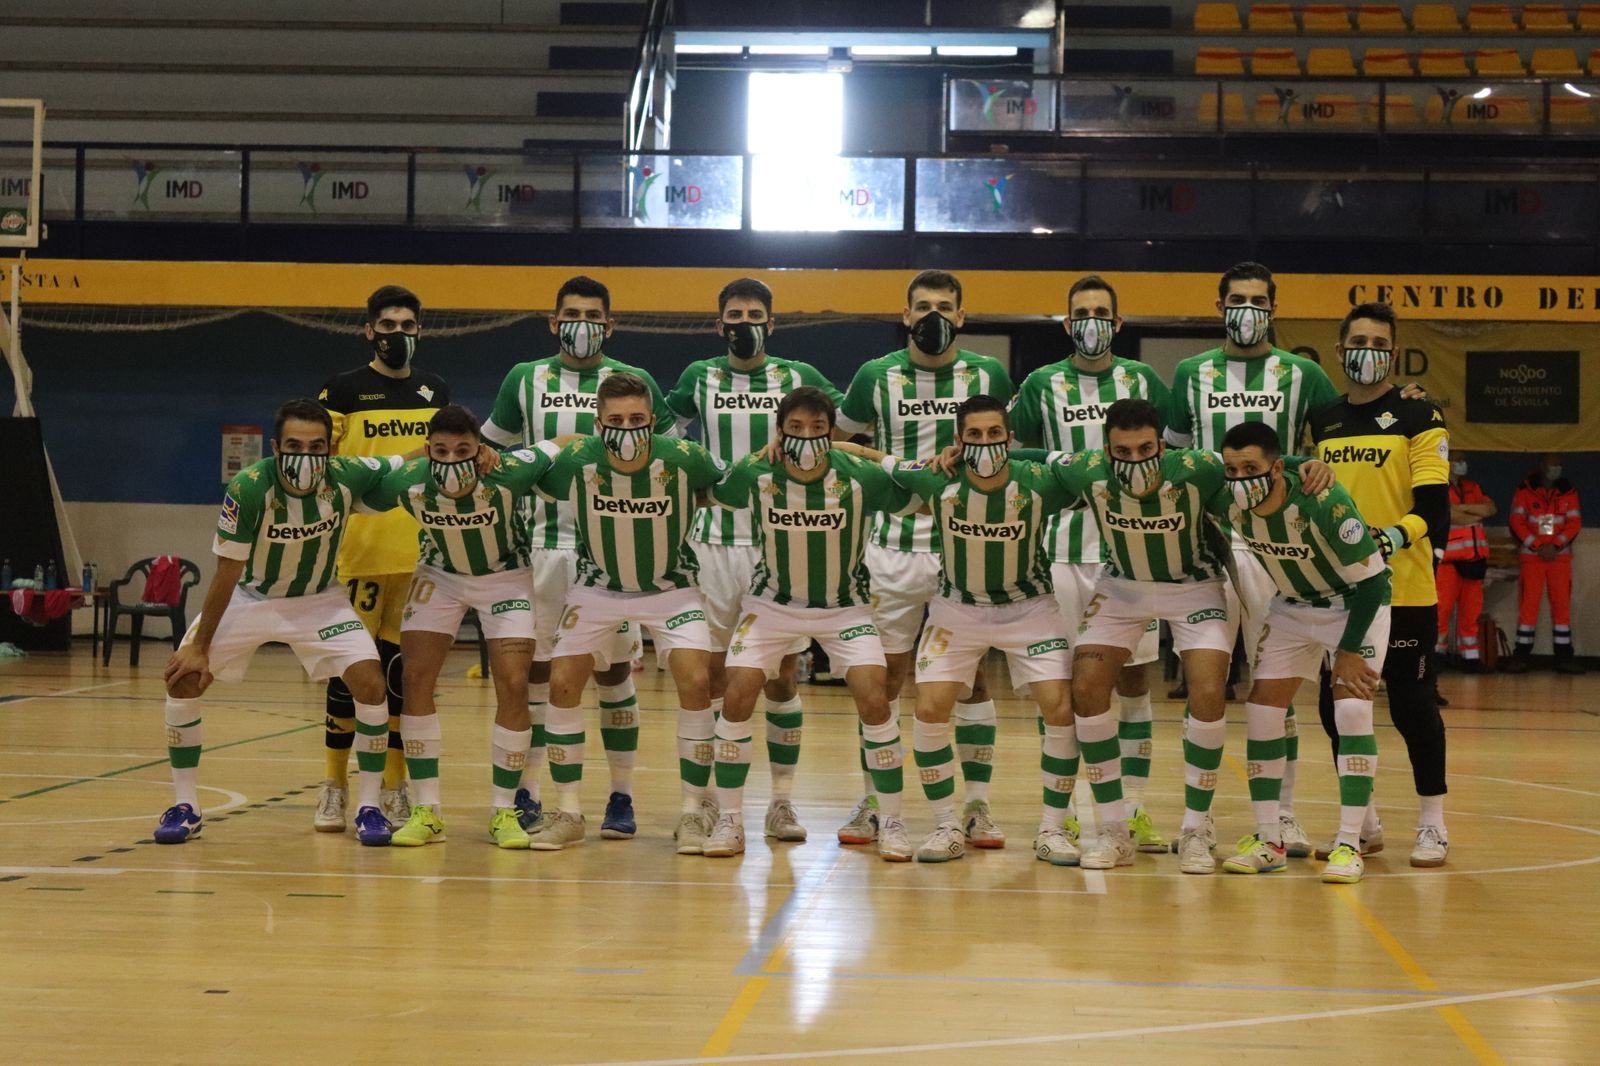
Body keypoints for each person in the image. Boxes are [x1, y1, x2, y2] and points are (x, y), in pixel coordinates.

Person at [154, 400, 408, 846]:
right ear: (275, 446)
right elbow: (226, 574)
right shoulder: (249, 487)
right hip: (250, 598)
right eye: (294, 445)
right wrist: (199, 647)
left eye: (316, 446)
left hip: (319, 602)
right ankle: (186, 807)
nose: (305, 455)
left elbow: (402, 460)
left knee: (371, 685)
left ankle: (369, 807)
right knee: (184, 680)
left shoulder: (347, 474)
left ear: (330, 449)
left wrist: (442, 449)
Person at [481, 276, 676, 840]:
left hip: (610, 551)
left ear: (610, 325)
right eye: (572, 313)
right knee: (540, 676)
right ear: (553, 320)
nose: (582, 323)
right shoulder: (525, 377)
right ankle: (532, 796)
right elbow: (491, 451)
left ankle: (621, 797)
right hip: (540, 547)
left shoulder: (632, 383)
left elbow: (665, 455)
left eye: (594, 314)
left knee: (614, 672)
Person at [1164, 261, 1342, 859]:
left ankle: (1282, 814)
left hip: (1277, 546)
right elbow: (1176, 461)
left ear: (1273, 307)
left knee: (1277, 687)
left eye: (1258, 300)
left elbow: (1339, 441)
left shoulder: (1305, 374)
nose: (1247, 309)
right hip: (1208, 544)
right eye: (1236, 299)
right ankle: (1198, 820)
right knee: (1205, 683)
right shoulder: (1190, 374)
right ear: (1219, 306)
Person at [834, 269, 1015, 850]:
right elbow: (839, 442)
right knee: (883, 679)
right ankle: (874, 800)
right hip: (892, 544)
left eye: (944, 306)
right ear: (905, 315)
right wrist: (901, 467)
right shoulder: (873, 375)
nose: (932, 314)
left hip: (965, 542)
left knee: (971, 680)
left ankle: (977, 807)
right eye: (921, 306)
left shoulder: (988, 373)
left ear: (961, 316)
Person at [700, 387, 917, 861]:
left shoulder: (859, 476)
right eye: (795, 428)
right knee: (737, 693)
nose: (807, 436)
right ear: (780, 431)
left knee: (875, 700)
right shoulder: (759, 473)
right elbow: (712, 488)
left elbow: (918, 490)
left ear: (831, 433)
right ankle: (733, 819)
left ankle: (892, 819)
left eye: (819, 429)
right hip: (771, 604)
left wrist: (859, 448)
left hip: (847, 607)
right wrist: (757, 452)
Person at [665, 278, 846, 844]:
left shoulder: (800, 378)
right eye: (735, 314)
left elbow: (837, 435)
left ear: (772, 323)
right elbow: (667, 441)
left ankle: (783, 803)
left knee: (783, 673)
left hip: (778, 535)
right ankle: (709, 806)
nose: (745, 322)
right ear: (719, 324)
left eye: (755, 313)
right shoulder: (699, 376)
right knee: (717, 674)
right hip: (714, 538)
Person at [869, 396, 1077, 865]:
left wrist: (1027, 454)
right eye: (975, 436)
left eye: (995, 435)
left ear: (1009, 438)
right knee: (929, 707)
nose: (986, 444)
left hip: (1030, 608)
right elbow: (871, 457)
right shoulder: (936, 478)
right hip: (957, 609)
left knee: (1060, 709)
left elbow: (1091, 464)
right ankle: (946, 824)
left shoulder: (1040, 481)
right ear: (959, 441)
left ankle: (1052, 829)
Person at [1035, 399, 1238, 873]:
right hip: (1122, 587)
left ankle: (1196, 828)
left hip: (1194, 587)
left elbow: (1256, 464)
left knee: (1208, 690)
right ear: (1107, 449)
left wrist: (1303, 463)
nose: (1134, 459)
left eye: (1145, 448)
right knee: (1085, 689)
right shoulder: (1086, 469)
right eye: (1122, 451)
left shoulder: (1198, 468)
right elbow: (1030, 456)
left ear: (1162, 445)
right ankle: (1113, 830)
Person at [1009, 274, 1173, 854]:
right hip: (1056, 549)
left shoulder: (1144, 379)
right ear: (1067, 322)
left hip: (1129, 555)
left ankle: (1131, 811)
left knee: (1132, 679)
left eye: (1102, 312)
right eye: (1082, 312)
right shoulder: (1040, 384)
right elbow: (1008, 450)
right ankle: (1070, 812)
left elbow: (1176, 451)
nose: (1092, 321)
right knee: (1060, 686)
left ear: (1118, 323)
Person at [531, 373, 728, 852]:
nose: (626, 427)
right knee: (561, 681)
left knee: (696, 681)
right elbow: (522, 472)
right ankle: (570, 809)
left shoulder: (686, 458)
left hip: (672, 589)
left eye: (637, 419)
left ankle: (692, 813)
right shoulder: (577, 462)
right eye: (615, 420)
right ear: (598, 424)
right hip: (598, 589)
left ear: (654, 421)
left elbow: (731, 480)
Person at [359, 405, 568, 849]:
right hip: (440, 577)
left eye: (463, 450)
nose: (452, 459)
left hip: (506, 578)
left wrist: (493, 451)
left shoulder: (510, 470)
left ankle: (503, 811)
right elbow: (364, 490)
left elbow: (570, 442)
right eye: (441, 450)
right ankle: (427, 811)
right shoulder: (408, 481)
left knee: (513, 684)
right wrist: (420, 455)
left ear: (479, 449)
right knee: (414, 679)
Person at [1214, 423, 1391, 884]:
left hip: (1356, 605)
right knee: (1262, 711)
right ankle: (1269, 838)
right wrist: (1295, 460)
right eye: (1231, 468)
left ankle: (1350, 843)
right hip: (1292, 607)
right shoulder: (1229, 501)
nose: (1239, 478)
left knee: (1352, 711)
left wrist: (1350, 651)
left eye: (1251, 468)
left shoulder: (1324, 502)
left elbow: (1374, 580)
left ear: (1274, 468)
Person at [1309, 301, 1452, 867]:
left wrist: (1386, 541)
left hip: (1406, 588)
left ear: (1393, 353)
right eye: (1357, 342)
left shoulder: (1422, 415)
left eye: (1379, 343)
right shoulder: (1322, 419)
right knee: (1334, 706)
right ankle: (1362, 820)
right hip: (1339, 594)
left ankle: (1433, 823)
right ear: (1340, 351)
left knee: (1413, 705)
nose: (1367, 351)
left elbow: (1435, 513)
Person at [315, 285, 449, 833]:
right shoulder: (342, 390)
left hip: (421, 560)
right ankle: (333, 785)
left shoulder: (435, 389)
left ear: (420, 330)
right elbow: (321, 465)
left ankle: (395, 788)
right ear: (369, 330)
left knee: (399, 677)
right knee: (349, 675)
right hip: (360, 556)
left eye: (408, 325)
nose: (399, 334)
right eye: (388, 325)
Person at [1506, 453, 1582, 674]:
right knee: (1528, 607)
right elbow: (1517, 522)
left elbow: (1574, 522)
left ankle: (1564, 658)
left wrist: (1555, 545)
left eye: (1560, 465)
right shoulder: (1524, 490)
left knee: (1562, 608)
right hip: (1533, 558)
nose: (1556, 468)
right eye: (1552, 464)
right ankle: (1521, 657)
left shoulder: (1569, 491)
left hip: (1560, 559)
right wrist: (1538, 545)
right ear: (1541, 466)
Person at [1437, 451, 1496, 672]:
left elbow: (1490, 509)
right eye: (1458, 460)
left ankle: (1469, 658)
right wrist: (1471, 513)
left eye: (1464, 460)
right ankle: (1437, 655)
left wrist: (1460, 510)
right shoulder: (1439, 486)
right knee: (1441, 611)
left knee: (1471, 612)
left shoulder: (1473, 487)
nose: (1463, 464)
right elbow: (1446, 514)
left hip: (1475, 560)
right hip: (1449, 562)